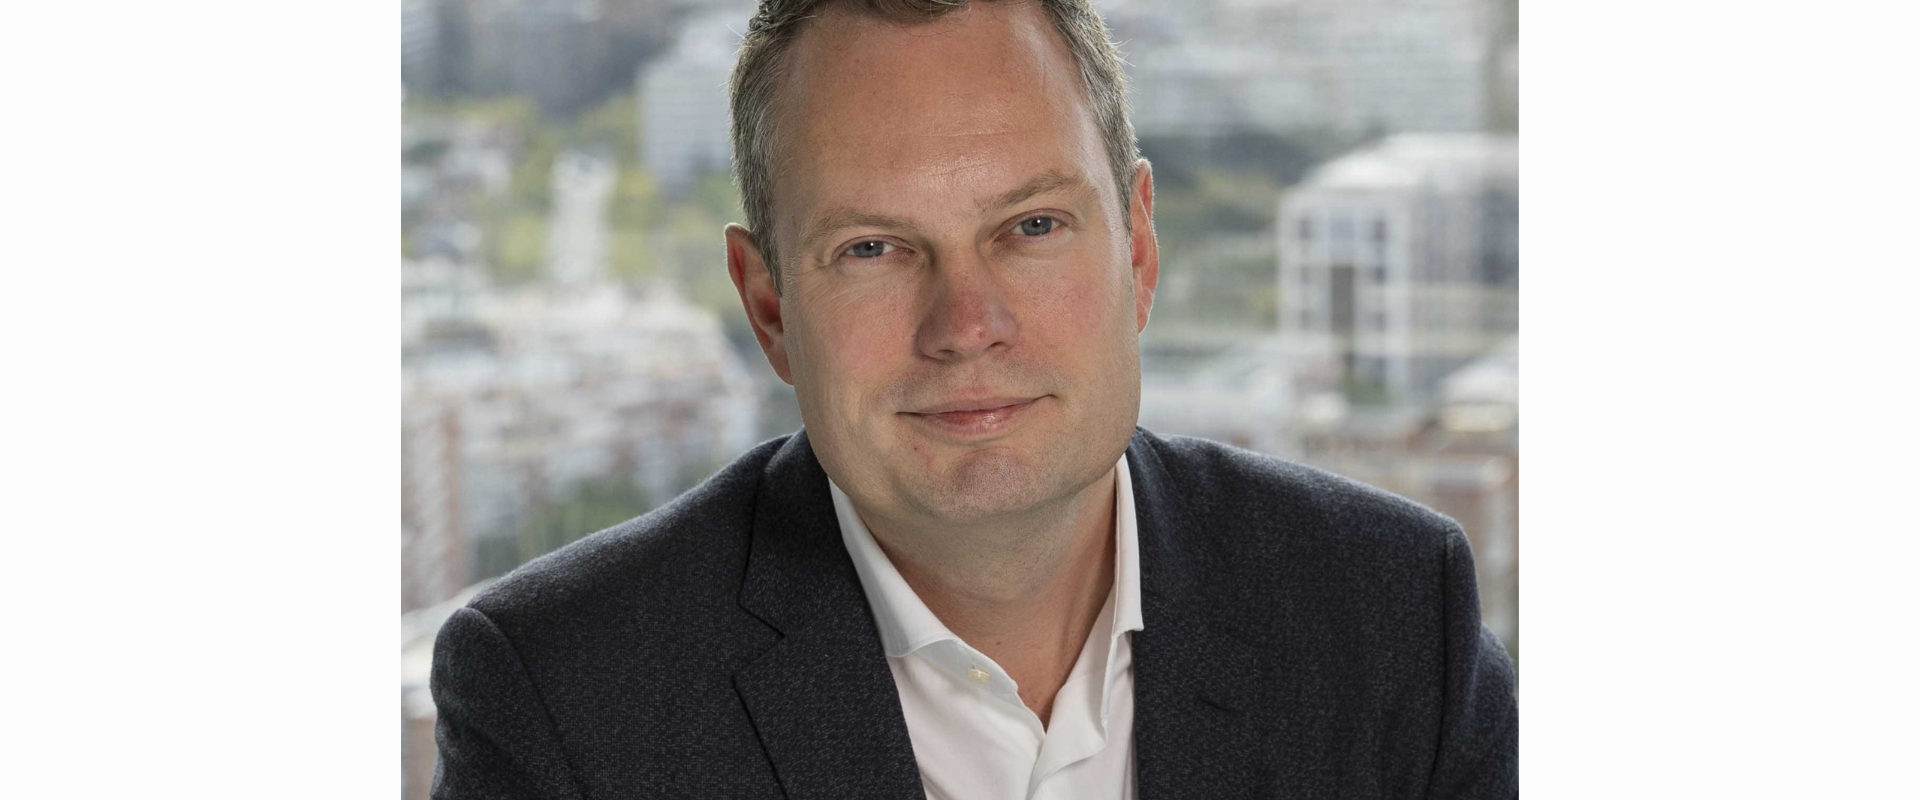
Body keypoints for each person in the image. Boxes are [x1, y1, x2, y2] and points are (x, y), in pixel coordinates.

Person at [428, 0, 1518, 797]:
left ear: (1137, 247)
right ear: (768, 309)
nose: (966, 320)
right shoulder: (564, 699)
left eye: (1032, 226)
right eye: (872, 247)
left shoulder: (1389, 616)